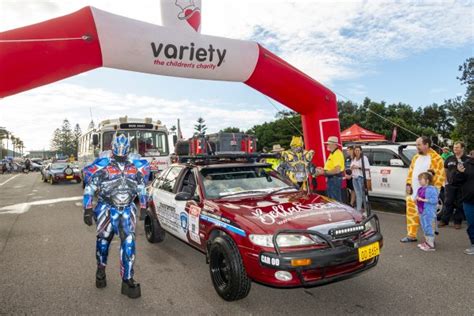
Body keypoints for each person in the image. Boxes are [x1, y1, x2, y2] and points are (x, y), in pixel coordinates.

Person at [82, 134, 150, 298]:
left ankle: (127, 279)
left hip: (127, 209)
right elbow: (90, 187)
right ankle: (101, 271)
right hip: (106, 208)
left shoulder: (135, 166)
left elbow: (142, 187)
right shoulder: (103, 166)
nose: (121, 153)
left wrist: (143, 206)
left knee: (128, 243)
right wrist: (88, 208)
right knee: (103, 240)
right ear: (113, 148)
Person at [401, 136, 445, 243]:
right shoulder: (416, 157)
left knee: (428, 218)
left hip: (427, 196)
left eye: (419, 145)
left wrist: (433, 193)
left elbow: (440, 177)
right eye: (417, 145)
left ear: (426, 145)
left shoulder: (437, 159)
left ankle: (429, 239)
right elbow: (411, 172)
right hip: (414, 193)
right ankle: (411, 235)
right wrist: (408, 184)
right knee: (411, 214)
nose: (417, 147)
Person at [440, 141, 468, 229]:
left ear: (462, 148)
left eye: (457, 147)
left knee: (460, 204)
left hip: (462, 185)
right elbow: (445, 170)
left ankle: (457, 222)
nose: (455, 149)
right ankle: (444, 220)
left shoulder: (467, 159)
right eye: (454, 147)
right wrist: (445, 181)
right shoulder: (449, 158)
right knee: (448, 202)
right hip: (450, 185)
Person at [453, 154, 474, 255]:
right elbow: (455, 182)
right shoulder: (466, 165)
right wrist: (459, 172)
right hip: (469, 201)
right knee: (472, 224)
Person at [415, 171, 439, 251]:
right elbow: (416, 198)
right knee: (424, 227)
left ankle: (431, 245)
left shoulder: (432, 189)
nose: (419, 181)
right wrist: (416, 200)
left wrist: (423, 199)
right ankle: (427, 242)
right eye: (419, 179)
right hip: (422, 211)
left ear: (427, 180)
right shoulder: (420, 189)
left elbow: (434, 200)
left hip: (429, 212)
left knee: (429, 227)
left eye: (421, 179)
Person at [316, 136, 345, 202]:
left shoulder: (337, 154)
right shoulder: (333, 153)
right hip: (333, 180)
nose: (327, 145)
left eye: (328, 143)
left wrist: (324, 172)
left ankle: (338, 212)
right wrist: (323, 170)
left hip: (334, 180)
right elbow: (333, 168)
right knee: (333, 200)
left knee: (334, 201)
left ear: (334, 144)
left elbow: (337, 170)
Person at [350, 146, 370, 212]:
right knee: (358, 194)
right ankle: (359, 209)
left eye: (358, 150)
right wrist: (352, 168)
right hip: (354, 178)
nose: (357, 152)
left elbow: (367, 168)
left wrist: (358, 167)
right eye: (355, 150)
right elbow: (351, 168)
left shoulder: (364, 158)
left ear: (361, 151)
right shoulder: (354, 158)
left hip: (361, 177)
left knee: (362, 194)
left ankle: (365, 209)